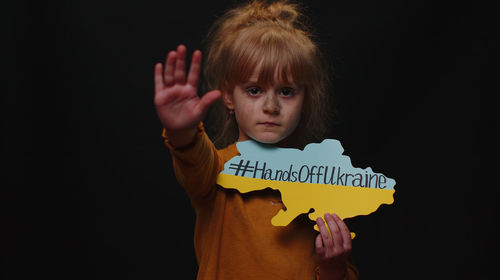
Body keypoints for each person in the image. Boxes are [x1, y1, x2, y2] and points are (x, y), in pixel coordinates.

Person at [154, 1, 359, 279]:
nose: (271, 105)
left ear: (305, 100)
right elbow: (192, 157)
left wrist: (333, 268)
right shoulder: (217, 170)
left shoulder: (321, 184)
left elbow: (344, 272)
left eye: (286, 92)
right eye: (254, 90)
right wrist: (181, 131)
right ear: (228, 96)